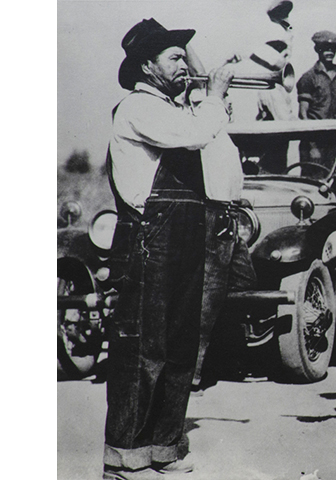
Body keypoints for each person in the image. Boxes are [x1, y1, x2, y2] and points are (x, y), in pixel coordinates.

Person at [104, 18, 238, 479]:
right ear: (147, 65)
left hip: (185, 234)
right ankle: (124, 457)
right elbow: (195, 135)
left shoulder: (177, 110)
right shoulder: (139, 107)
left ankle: (163, 448)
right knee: (143, 348)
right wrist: (215, 97)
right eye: (175, 57)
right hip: (149, 239)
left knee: (181, 346)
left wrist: (211, 106)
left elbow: (217, 155)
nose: (185, 65)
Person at [296, 30, 336, 177]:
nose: (329, 52)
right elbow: (303, 114)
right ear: (317, 50)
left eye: (332, 49)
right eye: (325, 48)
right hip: (314, 142)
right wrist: (312, 146)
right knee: (313, 181)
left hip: (335, 141)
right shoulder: (308, 78)